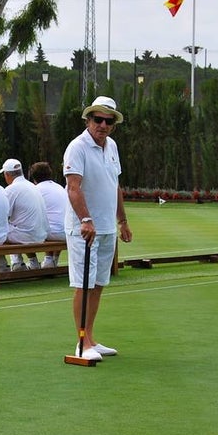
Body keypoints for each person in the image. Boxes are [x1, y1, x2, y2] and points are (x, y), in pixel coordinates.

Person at [63, 96, 133, 361]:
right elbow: (73, 188)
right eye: (98, 119)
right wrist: (85, 220)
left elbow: (114, 185)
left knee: (99, 284)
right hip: (84, 230)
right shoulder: (76, 148)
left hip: (106, 229)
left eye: (108, 121)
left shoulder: (111, 146)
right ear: (88, 120)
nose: (103, 125)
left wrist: (123, 221)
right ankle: (81, 343)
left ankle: (90, 338)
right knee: (84, 284)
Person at [0, 158, 48, 271]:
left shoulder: (11, 189)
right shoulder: (32, 186)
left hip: (27, 235)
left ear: (7, 174)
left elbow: (2, 216)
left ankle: (11, 264)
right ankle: (33, 262)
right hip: (41, 234)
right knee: (18, 226)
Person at [29, 161, 68, 267]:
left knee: (23, 227)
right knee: (53, 221)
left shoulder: (35, 190)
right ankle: (51, 260)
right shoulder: (60, 187)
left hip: (52, 233)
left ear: (34, 178)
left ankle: (29, 262)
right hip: (67, 232)